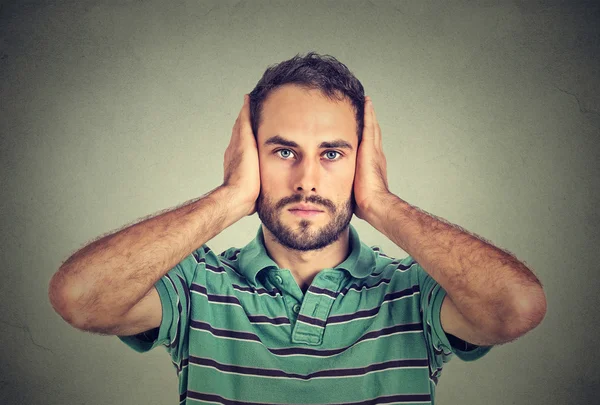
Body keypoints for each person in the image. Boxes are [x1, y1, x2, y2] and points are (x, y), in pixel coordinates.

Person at [48, 52, 547, 405]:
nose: (307, 180)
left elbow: (517, 308)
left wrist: (382, 203)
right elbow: (80, 297)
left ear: (362, 163)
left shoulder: (413, 291)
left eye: (332, 154)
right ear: (248, 157)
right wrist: (229, 198)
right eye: (284, 151)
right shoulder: (197, 286)